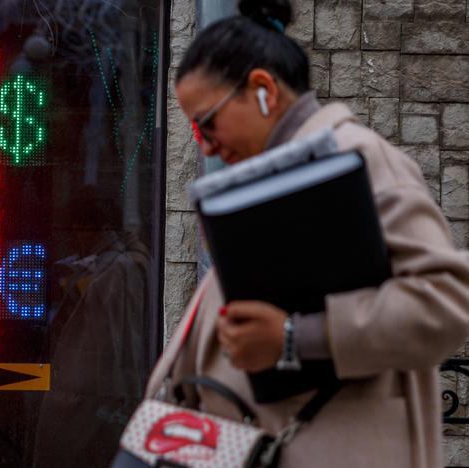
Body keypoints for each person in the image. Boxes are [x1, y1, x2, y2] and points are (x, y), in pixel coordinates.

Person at [145, 1, 469, 467]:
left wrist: (295, 338)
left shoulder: (356, 158)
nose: (208, 145)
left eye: (207, 123)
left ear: (262, 90)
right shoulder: (273, 183)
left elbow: (446, 302)